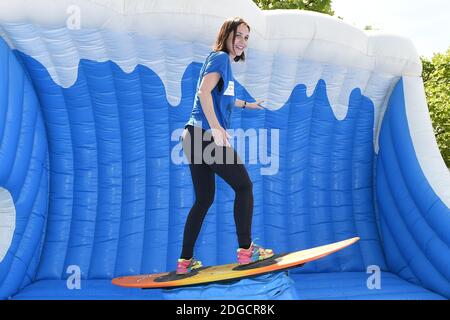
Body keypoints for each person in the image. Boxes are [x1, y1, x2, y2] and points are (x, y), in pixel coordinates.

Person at [177, 17, 274, 275]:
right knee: (244, 186)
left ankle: (184, 261)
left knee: (204, 199)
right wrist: (217, 129)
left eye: (246, 38)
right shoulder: (219, 57)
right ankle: (246, 251)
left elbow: (223, 98)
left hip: (192, 136)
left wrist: (247, 105)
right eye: (238, 35)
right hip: (205, 134)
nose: (242, 42)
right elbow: (203, 93)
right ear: (227, 34)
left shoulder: (223, 65)